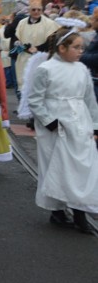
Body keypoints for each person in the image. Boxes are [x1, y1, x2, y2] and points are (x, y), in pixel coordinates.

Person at [27, 25, 98, 233]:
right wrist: (50, 121)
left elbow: (89, 100)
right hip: (56, 124)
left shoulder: (82, 69)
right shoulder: (46, 69)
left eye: (82, 48)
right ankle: (57, 210)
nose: (80, 52)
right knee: (55, 167)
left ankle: (79, 211)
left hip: (79, 121)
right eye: (76, 47)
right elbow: (35, 99)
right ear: (62, 48)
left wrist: (95, 126)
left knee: (81, 168)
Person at [13, 0, 57, 99]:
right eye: (33, 10)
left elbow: (52, 40)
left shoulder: (49, 23)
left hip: (41, 58)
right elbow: (17, 36)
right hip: (24, 58)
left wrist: (37, 49)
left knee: (40, 87)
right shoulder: (22, 23)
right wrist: (20, 45)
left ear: (42, 10)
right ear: (29, 10)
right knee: (25, 85)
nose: (36, 12)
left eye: (38, 9)